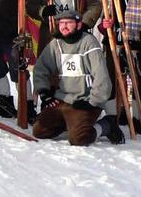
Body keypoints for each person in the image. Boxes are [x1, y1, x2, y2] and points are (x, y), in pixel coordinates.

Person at [34, 10, 122, 145]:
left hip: (84, 101)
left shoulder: (88, 43)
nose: (64, 26)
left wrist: (93, 101)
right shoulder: (56, 44)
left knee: (79, 139)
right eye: (61, 23)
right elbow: (41, 67)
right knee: (39, 131)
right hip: (62, 99)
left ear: (79, 25)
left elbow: (101, 77)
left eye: (69, 23)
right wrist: (44, 91)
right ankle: (70, 123)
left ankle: (106, 125)